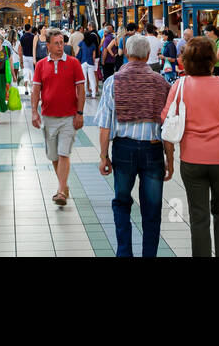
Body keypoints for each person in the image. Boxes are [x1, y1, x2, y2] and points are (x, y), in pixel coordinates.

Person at [164, 37, 219, 256]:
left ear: (186, 62)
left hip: (192, 160)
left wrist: (170, 159)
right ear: (212, 60)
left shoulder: (179, 86)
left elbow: (167, 123)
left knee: (198, 215)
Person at [97, 34, 173, 257]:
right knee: (152, 209)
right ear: (148, 55)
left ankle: (124, 253)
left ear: (127, 54)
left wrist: (104, 156)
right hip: (153, 150)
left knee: (121, 202)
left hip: (123, 150)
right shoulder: (162, 83)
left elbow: (104, 125)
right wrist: (170, 158)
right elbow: (167, 126)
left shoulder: (113, 81)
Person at [31, 29, 86, 207]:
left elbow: (81, 90)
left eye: (62, 42)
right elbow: (36, 90)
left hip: (69, 117)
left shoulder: (74, 63)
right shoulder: (40, 65)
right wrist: (34, 111)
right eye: (56, 43)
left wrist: (80, 113)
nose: (60, 46)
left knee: (64, 153)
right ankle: (64, 185)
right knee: (54, 156)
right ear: (48, 45)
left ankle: (60, 191)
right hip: (48, 117)